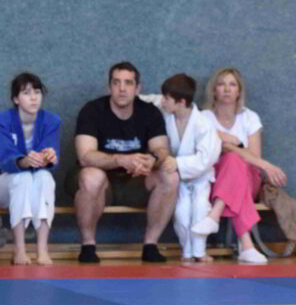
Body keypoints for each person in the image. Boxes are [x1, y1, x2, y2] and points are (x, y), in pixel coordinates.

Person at [70, 61, 178, 263]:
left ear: (138, 88)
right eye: (116, 82)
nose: (122, 88)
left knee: (170, 176)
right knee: (92, 176)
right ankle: (88, 245)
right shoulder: (92, 110)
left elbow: (162, 150)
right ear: (109, 87)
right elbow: (85, 156)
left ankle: (151, 245)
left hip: (135, 180)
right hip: (99, 181)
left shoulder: (149, 112)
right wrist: (120, 159)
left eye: (128, 83)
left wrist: (152, 159)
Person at [189, 67, 286, 264]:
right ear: (214, 90)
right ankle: (247, 246)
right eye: (221, 84)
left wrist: (231, 144)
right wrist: (233, 146)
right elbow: (216, 149)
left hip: (250, 179)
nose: (227, 89)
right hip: (214, 179)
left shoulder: (250, 117)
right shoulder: (204, 118)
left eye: (232, 85)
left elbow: (254, 158)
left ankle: (214, 215)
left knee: (234, 160)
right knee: (232, 160)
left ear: (239, 91)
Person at [158, 74, 222, 263]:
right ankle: (187, 252)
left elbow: (206, 159)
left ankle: (200, 252)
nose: (163, 101)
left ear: (182, 102)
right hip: (180, 179)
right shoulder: (167, 114)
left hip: (200, 178)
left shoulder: (203, 123)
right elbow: (150, 99)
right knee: (181, 214)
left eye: (167, 98)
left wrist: (178, 163)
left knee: (200, 210)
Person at [0, 73, 60, 265]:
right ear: (16, 99)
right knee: (23, 178)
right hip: (5, 182)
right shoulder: (3, 121)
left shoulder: (52, 120)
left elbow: (52, 154)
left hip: (35, 179)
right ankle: (19, 249)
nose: (34, 97)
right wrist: (24, 161)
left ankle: (42, 250)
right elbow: (4, 159)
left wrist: (49, 157)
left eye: (37, 92)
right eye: (26, 93)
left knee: (45, 177)